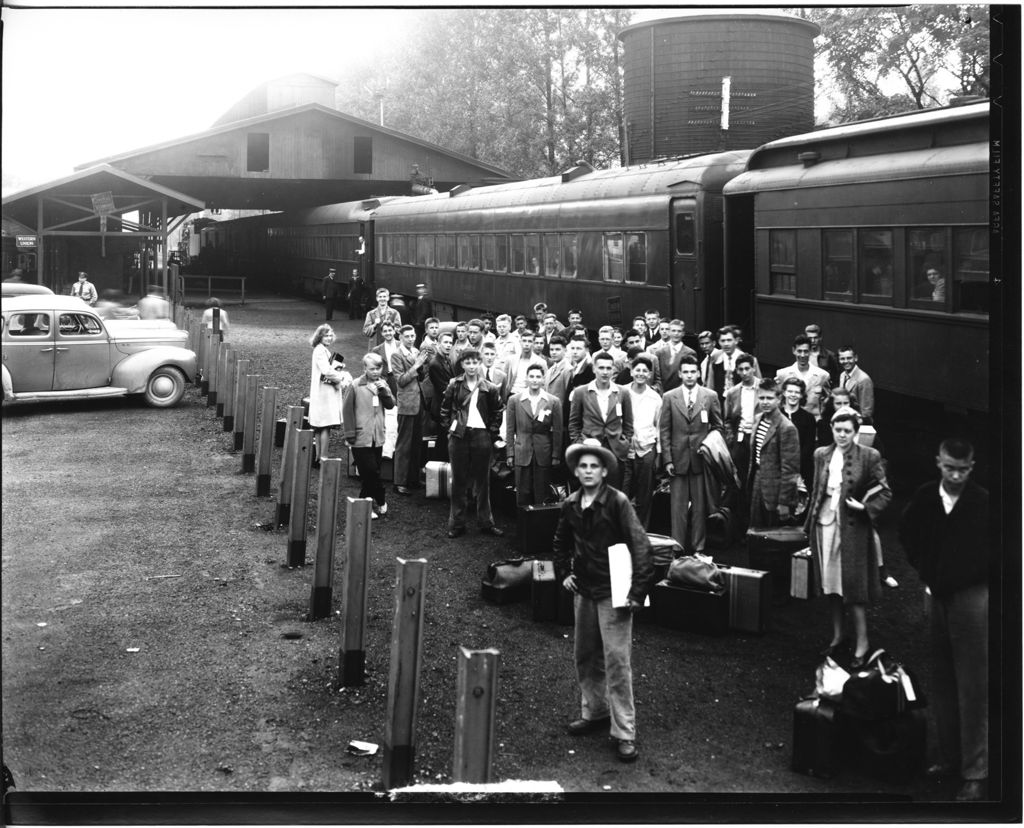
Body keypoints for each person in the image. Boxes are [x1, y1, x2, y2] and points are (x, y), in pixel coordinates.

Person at [552, 439, 654, 764]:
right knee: (585, 655)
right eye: (582, 466)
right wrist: (562, 572)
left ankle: (624, 732)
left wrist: (637, 591)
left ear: (605, 470)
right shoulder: (570, 503)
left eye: (594, 466)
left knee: (617, 662)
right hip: (584, 590)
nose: (587, 471)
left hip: (614, 592)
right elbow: (560, 540)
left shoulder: (618, 502)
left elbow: (641, 545)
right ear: (576, 471)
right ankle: (594, 711)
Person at [899, 439, 988, 802]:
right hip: (936, 595)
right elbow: (907, 534)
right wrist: (927, 571)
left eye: (962, 470)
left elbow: (1004, 549)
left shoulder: (983, 502)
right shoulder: (924, 496)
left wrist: (972, 578)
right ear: (938, 462)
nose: (955, 476)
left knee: (973, 684)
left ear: (972, 467)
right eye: (949, 468)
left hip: (972, 598)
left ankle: (975, 772)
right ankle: (949, 760)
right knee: (942, 678)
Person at [805, 407, 891, 668]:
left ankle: (862, 643)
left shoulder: (869, 455)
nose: (842, 435)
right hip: (825, 524)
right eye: (837, 430)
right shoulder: (821, 454)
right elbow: (817, 490)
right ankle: (838, 635)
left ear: (855, 432)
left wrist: (865, 507)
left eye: (847, 431)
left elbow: (885, 492)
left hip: (852, 529)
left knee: (853, 588)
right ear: (831, 428)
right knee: (831, 586)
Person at [659, 355, 723, 554]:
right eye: (685, 372)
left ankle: (698, 547)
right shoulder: (670, 396)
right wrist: (667, 459)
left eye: (692, 372)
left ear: (698, 373)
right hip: (677, 460)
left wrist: (708, 445)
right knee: (677, 508)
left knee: (699, 507)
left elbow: (719, 427)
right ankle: (677, 546)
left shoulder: (710, 396)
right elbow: (664, 430)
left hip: (700, 460)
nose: (689, 376)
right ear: (679, 374)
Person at [440, 349, 505, 538]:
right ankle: (457, 524)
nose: (471, 366)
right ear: (462, 365)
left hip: (481, 436)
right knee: (458, 480)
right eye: (467, 363)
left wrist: (490, 432)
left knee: (483, 481)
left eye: (475, 363)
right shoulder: (454, 384)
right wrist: (450, 429)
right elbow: (444, 409)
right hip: (459, 435)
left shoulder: (490, 388)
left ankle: (486, 522)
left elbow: (497, 411)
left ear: (480, 364)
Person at [568, 351, 634, 489]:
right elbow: (574, 424)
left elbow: (628, 423)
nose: (605, 372)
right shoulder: (581, 392)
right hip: (589, 449)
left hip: (615, 452)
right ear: (594, 369)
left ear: (613, 370)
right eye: (601, 368)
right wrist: (580, 444)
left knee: (613, 495)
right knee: (590, 494)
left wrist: (624, 442)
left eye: (609, 368)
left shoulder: (623, 392)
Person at [342, 353, 396, 520]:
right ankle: (378, 498)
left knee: (372, 473)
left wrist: (383, 391)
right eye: (371, 368)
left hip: (377, 436)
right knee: (370, 471)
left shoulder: (383, 384)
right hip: (359, 436)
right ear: (364, 368)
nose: (375, 372)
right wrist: (350, 433)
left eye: (378, 368)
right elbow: (347, 410)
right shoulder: (356, 385)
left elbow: (391, 404)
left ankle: (366, 502)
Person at [505, 364, 563, 506]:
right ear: (526, 379)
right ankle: (523, 526)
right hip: (522, 450)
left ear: (543, 379)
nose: (535, 380)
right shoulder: (515, 400)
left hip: (543, 451)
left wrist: (555, 455)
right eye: (531, 376)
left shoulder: (553, 401)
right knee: (522, 492)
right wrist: (510, 453)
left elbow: (558, 431)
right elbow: (510, 429)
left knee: (541, 492)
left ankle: (540, 526)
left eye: (538, 377)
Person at [746, 379, 800, 529]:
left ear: (779, 399)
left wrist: (784, 502)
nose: (765, 402)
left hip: (776, 490)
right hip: (757, 482)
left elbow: (790, 470)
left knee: (773, 537)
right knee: (755, 532)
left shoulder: (786, 427)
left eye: (769, 398)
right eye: (762, 397)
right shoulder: (758, 419)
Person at [620, 353, 662, 529]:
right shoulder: (621, 392)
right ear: (631, 372)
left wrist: (658, 453)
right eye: (637, 370)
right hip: (624, 449)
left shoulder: (655, 398)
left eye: (645, 371)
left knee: (644, 493)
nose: (641, 374)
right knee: (623, 490)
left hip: (646, 448)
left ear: (650, 374)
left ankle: (641, 530)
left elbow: (658, 427)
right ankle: (620, 528)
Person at [391, 325, 430, 495]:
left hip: (418, 402)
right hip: (407, 403)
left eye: (413, 335)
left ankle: (413, 479)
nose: (410, 338)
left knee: (416, 444)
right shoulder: (396, 354)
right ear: (400, 337)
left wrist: (421, 366)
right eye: (406, 336)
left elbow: (421, 377)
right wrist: (417, 365)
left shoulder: (415, 351)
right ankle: (399, 481)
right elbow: (400, 380)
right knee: (404, 444)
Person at [307, 324, 352, 465]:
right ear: (319, 337)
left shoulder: (323, 350)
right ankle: (323, 457)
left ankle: (319, 457)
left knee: (320, 426)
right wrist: (341, 376)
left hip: (323, 391)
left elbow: (327, 368)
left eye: (330, 335)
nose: (328, 338)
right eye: (325, 335)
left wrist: (338, 367)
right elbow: (326, 370)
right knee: (325, 426)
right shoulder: (320, 351)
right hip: (324, 392)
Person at [723, 354, 760, 492]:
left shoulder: (763, 388)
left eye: (747, 368)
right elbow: (727, 419)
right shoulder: (733, 393)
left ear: (753, 368)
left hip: (759, 437)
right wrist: (731, 440)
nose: (744, 373)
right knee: (740, 475)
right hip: (741, 438)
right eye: (741, 369)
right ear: (737, 371)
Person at [775, 334, 830, 420]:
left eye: (806, 351)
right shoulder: (782, 374)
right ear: (794, 351)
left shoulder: (822, 375)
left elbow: (827, 402)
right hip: (790, 423)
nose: (803, 355)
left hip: (814, 425)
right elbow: (778, 401)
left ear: (810, 351)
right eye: (799, 351)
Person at [779, 376, 816, 491]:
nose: (793, 395)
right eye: (790, 391)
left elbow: (809, 447)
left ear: (801, 395)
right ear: (784, 393)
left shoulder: (809, 418)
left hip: (801, 469)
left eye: (797, 392)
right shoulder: (776, 415)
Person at [709, 325, 760, 403]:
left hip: (742, 403)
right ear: (719, 342)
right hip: (720, 404)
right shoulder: (715, 358)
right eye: (723, 341)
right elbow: (710, 386)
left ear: (736, 341)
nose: (726, 344)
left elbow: (758, 386)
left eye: (729, 340)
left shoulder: (749, 360)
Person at [655, 319, 696, 393]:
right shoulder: (659, 353)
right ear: (669, 332)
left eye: (679, 331)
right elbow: (657, 377)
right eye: (673, 331)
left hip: (681, 394)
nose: (676, 333)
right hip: (663, 394)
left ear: (683, 333)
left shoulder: (690, 353)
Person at [836, 347, 874, 423]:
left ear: (855, 358)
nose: (846, 361)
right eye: (842, 359)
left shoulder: (863, 379)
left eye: (849, 358)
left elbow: (866, 412)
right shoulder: (842, 375)